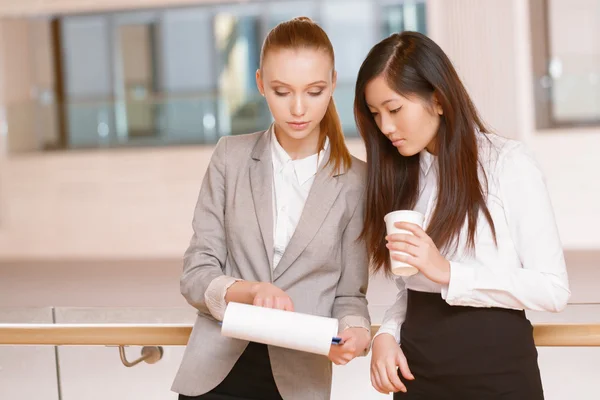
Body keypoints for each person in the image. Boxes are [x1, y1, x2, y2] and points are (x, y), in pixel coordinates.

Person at [353, 31, 570, 399]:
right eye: (375, 114)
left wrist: (450, 272)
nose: (385, 127)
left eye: (394, 109)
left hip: (496, 372)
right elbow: (412, 290)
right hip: (417, 374)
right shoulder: (399, 174)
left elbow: (553, 289)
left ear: (437, 99)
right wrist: (387, 334)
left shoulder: (506, 164)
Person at [171, 17, 371, 400]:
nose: (298, 108)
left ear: (332, 83)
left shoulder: (356, 182)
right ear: (261, 83)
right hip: (215, 375)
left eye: (314, 91)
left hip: (300, 380)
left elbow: (350, 296)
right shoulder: (230, 157)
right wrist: (250, 292)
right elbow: (196, 274)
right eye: (282, 91)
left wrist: (357, 332)